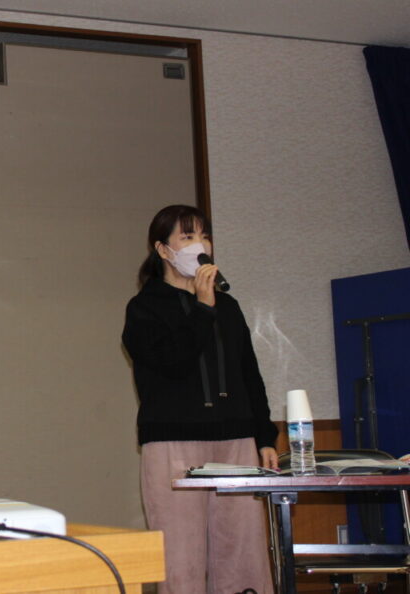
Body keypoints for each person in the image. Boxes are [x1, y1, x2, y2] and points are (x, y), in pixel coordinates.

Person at [122, 204, 278, 594]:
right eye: (188, 236)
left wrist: (265, 437)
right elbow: (172, 363)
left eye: (204, 236)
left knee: (242, 552)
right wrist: (202, 309)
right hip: (173, 441)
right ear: (163, 249)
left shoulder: (229, 308)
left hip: (237, 440)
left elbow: (249, 376)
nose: (200, 245)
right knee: (180, 556)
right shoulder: (144, 308)